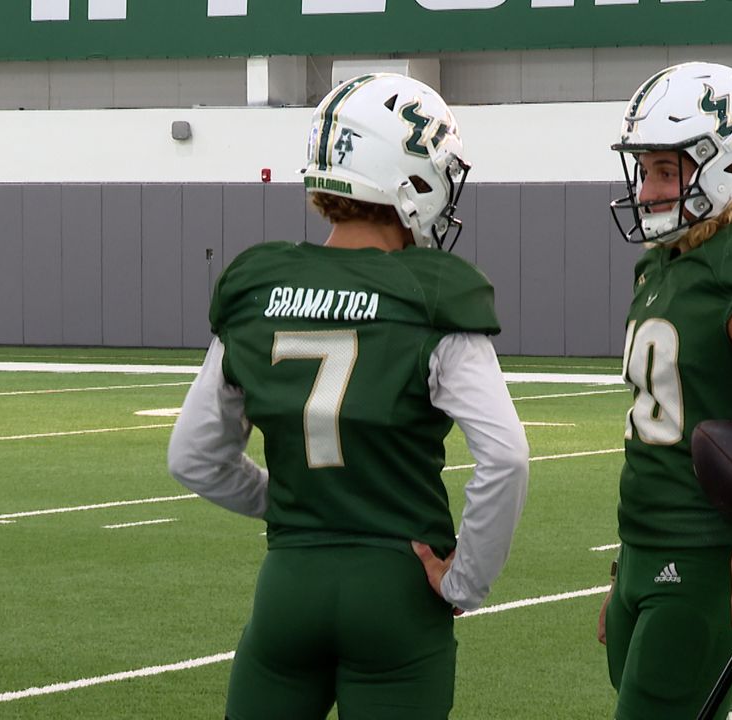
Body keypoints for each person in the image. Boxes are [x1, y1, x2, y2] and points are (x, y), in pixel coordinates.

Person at [168, 72, 530, 720]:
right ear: (409, 177)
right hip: (397, 588)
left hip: (290, 584)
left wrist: (283, 498)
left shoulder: (259, 286)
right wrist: (466, 580)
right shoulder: (434, 291)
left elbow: (192, 456)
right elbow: (505, 457)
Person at [598, 62, 732, 719]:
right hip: (644, 547)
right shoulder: (666, 265)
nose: (648, 190)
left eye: (667, 170)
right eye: (646, 170)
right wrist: (625, 565)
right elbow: (654, 434)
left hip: (700, 556)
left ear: (728, 165)